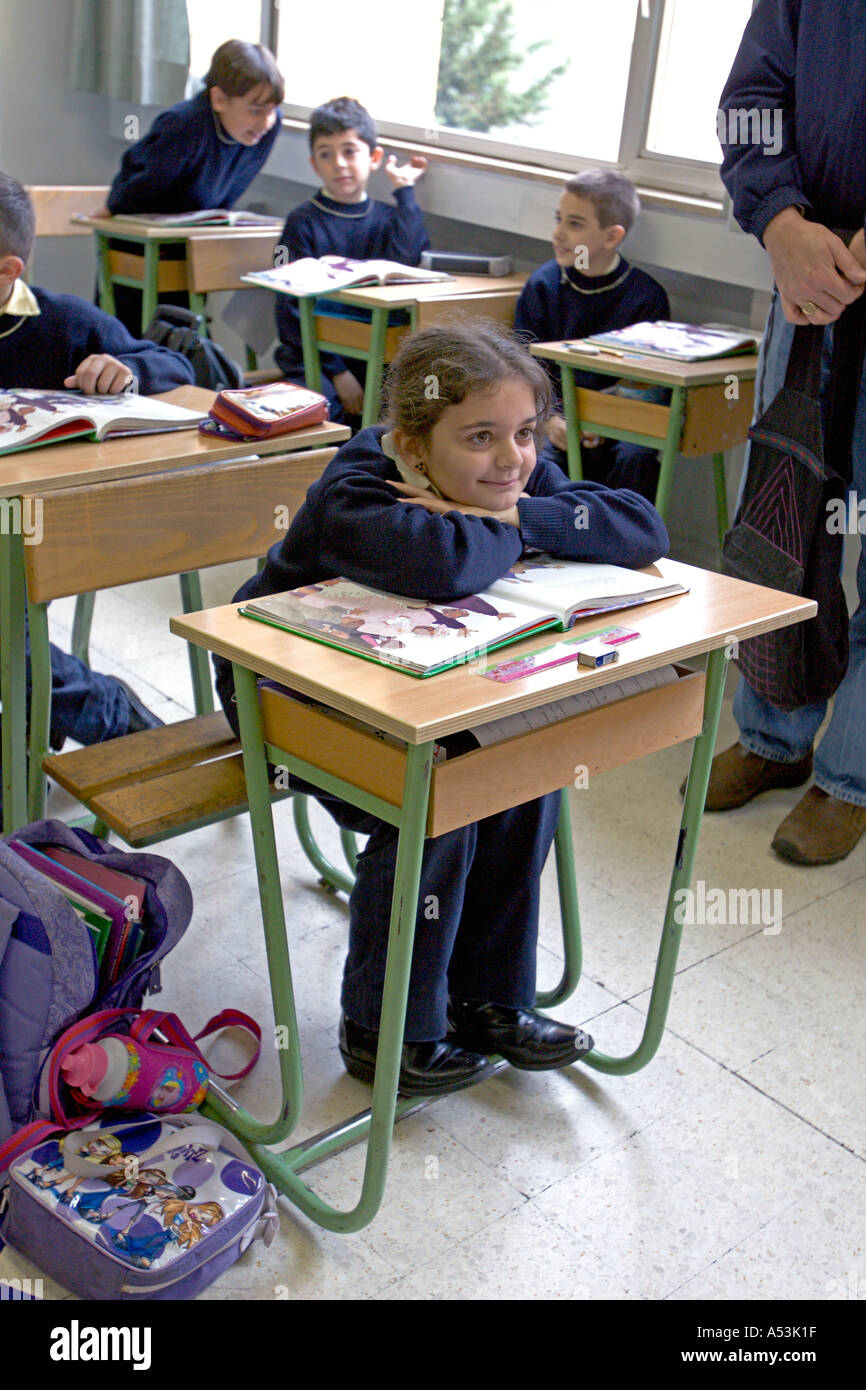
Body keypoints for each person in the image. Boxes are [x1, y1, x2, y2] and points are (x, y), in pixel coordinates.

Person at [215, 318, 669, 1096]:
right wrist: (510, 530)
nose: (513, 459)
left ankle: (489, 1000)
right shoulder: (357, 486)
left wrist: (522, 517)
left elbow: (641, 525)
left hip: (409, 690)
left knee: (524, 771)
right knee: (435, 799)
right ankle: (389, 1028)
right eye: (483, 437)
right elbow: (444, 562)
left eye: (526, 433)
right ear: (414, 444)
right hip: (283, 692)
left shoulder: (508, 482)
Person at [708, 0, 866, 865]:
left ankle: (852, 779)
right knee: (780, 526)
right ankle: (773, 738)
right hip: (807, 275)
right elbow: (754, 97)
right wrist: (779, 222)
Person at [0, 172, 193, 778]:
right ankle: (56, 708)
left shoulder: (61, 324)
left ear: (7, 274)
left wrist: (121, 372)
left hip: (43, 529)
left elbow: (173, 363)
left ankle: (101, 711)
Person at [104, 39, 285, 332]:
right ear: (218, 100)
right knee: (138, 334)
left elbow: (227, 188)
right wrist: (113, 208)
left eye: (273, 109)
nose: (266, 121)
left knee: (188, 337)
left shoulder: (267, 128)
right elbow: (137, 187)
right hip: (140, 243)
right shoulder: (184, 124)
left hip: (192, 239)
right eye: (255, 109)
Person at [273, 95, 430, 423]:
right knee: (324, 410)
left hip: (377, 355)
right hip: (315, 359)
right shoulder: (302, 222)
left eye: (349, 151)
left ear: (373, 157)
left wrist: (405, 192)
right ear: (315, 164)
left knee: (417, 411)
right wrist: (338, 372)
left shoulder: (387, 218)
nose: (339, 164)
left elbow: (408, 258)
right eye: (326, 155)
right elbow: (289, 310)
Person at [514, 169, 670, 499]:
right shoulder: (544, 286)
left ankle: (624, 545)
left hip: (617, 427)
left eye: (574, 224)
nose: (558, 234)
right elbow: (523, 368)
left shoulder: (645, 298)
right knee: (535, 460)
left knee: (636, 459)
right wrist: (550, 420)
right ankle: (543, 537)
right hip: (553, 421)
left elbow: (646, 386)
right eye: (559, 219)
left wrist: (602, 424)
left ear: (612, 236)